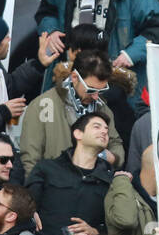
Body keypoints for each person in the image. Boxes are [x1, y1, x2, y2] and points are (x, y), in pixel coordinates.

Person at [19, 46, 123, 175]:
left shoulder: (103, 108)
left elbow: (116, 143)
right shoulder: (44, 105)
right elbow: (30, 159)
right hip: (54, 187)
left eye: (101, 90)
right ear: (74, 77)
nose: (96, 96)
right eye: (91, 90)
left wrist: (113, 157)